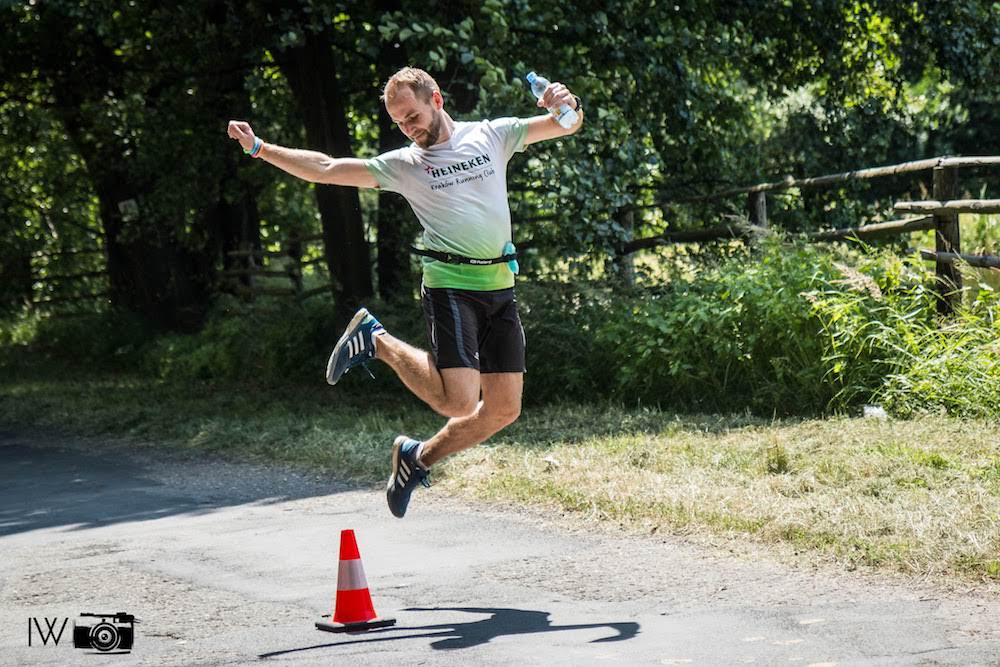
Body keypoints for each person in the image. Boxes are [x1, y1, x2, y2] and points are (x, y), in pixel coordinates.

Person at [227, 66, 583, 518]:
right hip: (451, 285)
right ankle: (376, 340)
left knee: (503, 409)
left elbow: (566, 125)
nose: (409, 128)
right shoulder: (406, 165)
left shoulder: (493, 135)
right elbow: (327, 168)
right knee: (458, 401)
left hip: (500, 286)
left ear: (436, 100)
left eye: (412, 116)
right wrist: (259, 148)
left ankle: (416, 458)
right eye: (399, 122)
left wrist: (565, 103)